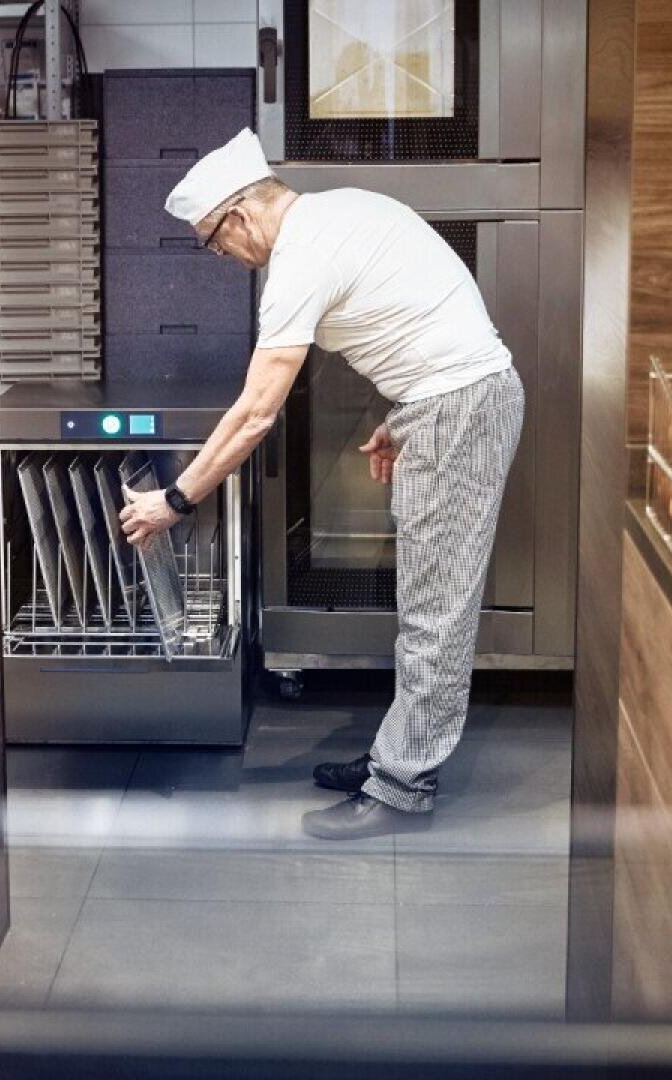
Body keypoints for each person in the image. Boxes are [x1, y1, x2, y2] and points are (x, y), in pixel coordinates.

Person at [116, 129, 526, 841]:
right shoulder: (340, 212)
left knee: (435, 611)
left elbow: (254, 414)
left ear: (241, 215)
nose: (224, 259)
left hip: (460, 410)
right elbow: (427, 316)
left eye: (216, 243)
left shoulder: (301, 258)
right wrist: (405, 420)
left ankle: (400, 789)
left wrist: (176, 499)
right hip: (452, 404)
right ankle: (393, 760)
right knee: (425, 601)